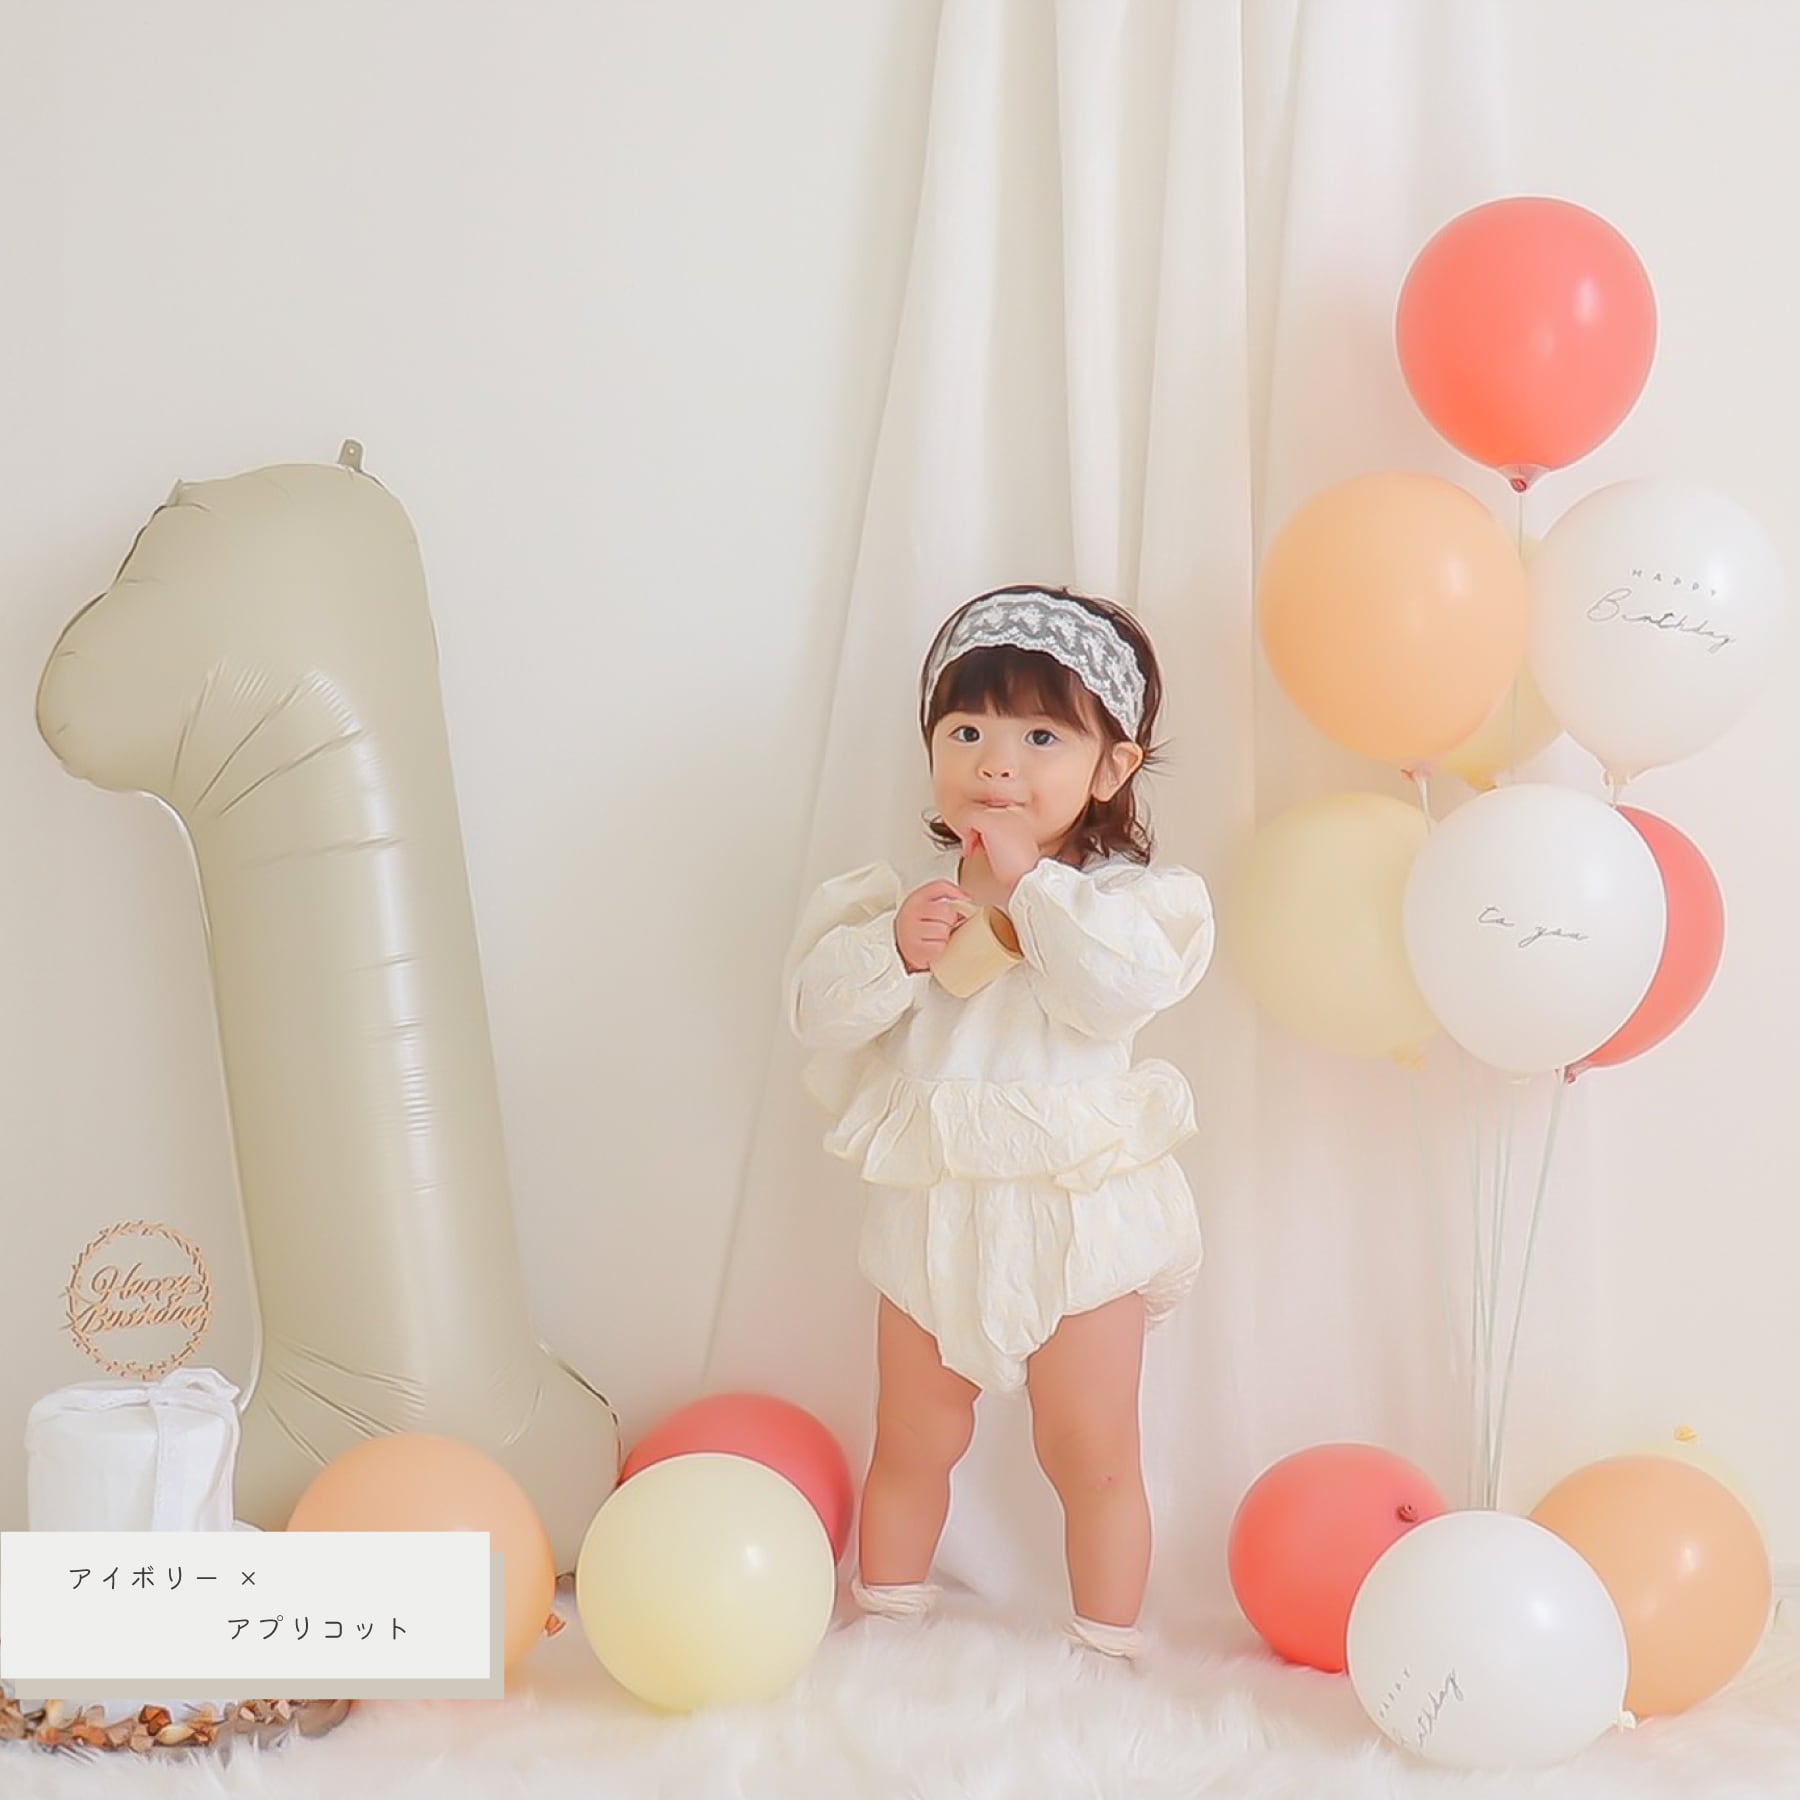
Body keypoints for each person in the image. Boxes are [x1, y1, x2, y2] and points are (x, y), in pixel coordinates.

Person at [784, 584, 1215, 1661]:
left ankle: (1106, 1647)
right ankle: (888, 1618)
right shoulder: (907, 900)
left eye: (1040, 736)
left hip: (1078, 1213)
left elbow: (1116, 993)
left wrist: (1036, 889)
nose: (998, 763)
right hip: (937, 1214)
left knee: (1092, 1449)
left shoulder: (1124, 904)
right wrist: (893, 948)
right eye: (966, 731)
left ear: (1112, 767)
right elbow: (817, 1016)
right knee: (912, 1436)